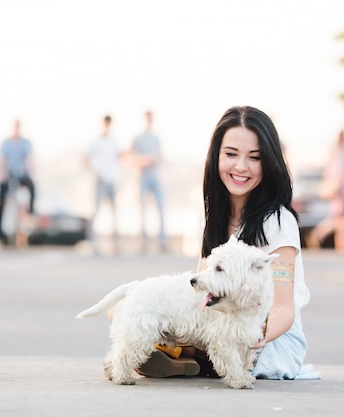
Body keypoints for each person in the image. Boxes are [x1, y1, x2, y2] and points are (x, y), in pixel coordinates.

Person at [137, 106, 320, 380]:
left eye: (254, 158)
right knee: (130, 309)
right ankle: (183, 358)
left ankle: (183, 357)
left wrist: (249, 338)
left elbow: (283, 309)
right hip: (218, 325)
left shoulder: (278, 221)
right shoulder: (215, 214)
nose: (241, 166)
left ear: (269, 163)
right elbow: (200, 289)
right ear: (217, 156)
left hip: (264, 337)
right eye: (231, 154)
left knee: (209, 334)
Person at [306, 131, 344, 252]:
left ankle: (342, 245)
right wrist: (341, 189)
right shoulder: (341, 153)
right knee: (337, 218)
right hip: (339, 190)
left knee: (340, 220)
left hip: (336, 189)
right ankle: (317, 236)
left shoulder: (335, 153)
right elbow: (340, 175)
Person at [0, 119, 36, 245]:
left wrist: (29, 169)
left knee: (32, 189)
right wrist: (3, 173)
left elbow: (29, 158)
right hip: (9, 174)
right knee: (1, 198)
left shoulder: (26, 142)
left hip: (22, 175)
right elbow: (0, 159)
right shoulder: (6, 143)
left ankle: (31, 212)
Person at [130, 110, 166, 250]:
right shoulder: (137, 138)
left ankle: (162, 241)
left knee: (160, 208)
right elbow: (130, 157)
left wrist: (153, 159)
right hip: (142, 177)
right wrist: (141, 160)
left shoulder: (156, 138)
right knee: (142, 210)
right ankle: (143, 240)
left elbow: (161, 156)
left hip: (155, 177)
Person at [86, 115, 121, 253]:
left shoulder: (114, 141)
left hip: (111, 180)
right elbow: (87, 159)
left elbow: (118, 157)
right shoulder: (95, 141)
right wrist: (96, 174)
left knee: (114, 213)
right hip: (99, 181)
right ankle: (93, 242)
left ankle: (115, 244)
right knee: (96, 212)